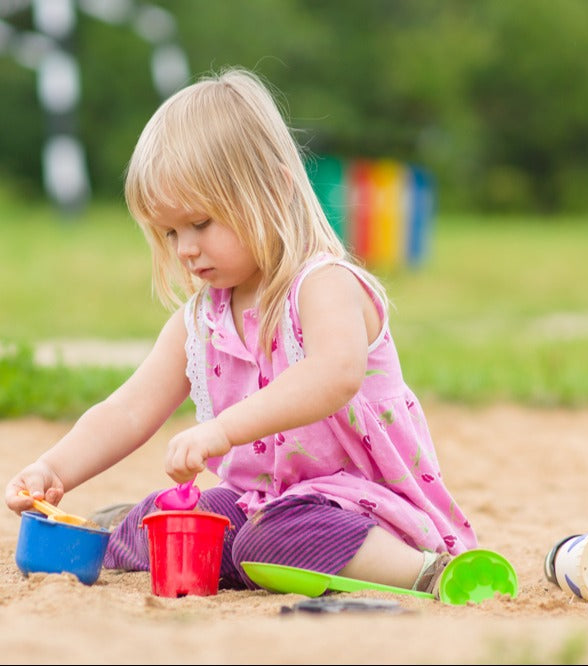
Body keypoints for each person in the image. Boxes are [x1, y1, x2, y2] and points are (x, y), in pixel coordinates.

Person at [5, 66, 477, 595]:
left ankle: (430, 574)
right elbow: (128, 409)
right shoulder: (200, 320)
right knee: (171, 521)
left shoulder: (322, 285)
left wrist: (222, 429)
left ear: (272, 188)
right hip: (261, 508)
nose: (185, 248)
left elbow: (334, 376)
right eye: (170, 232)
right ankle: (129, 531)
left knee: (267, 537)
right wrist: (55, 468)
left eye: (201, 223)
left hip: (364, 510)